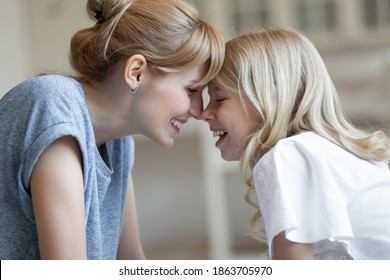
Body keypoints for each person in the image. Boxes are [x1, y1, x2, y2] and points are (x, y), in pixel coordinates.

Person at [0, 0, 224, 260]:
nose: (198, 110)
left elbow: (130, 260)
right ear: (136, 72)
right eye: (191, 90)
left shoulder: (118, 144)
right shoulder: (52, 105)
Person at [201, 27, 390, 260]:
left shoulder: (290, 154)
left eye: (219, 98)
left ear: (268, 97)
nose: (205, 113)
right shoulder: (333, 153)